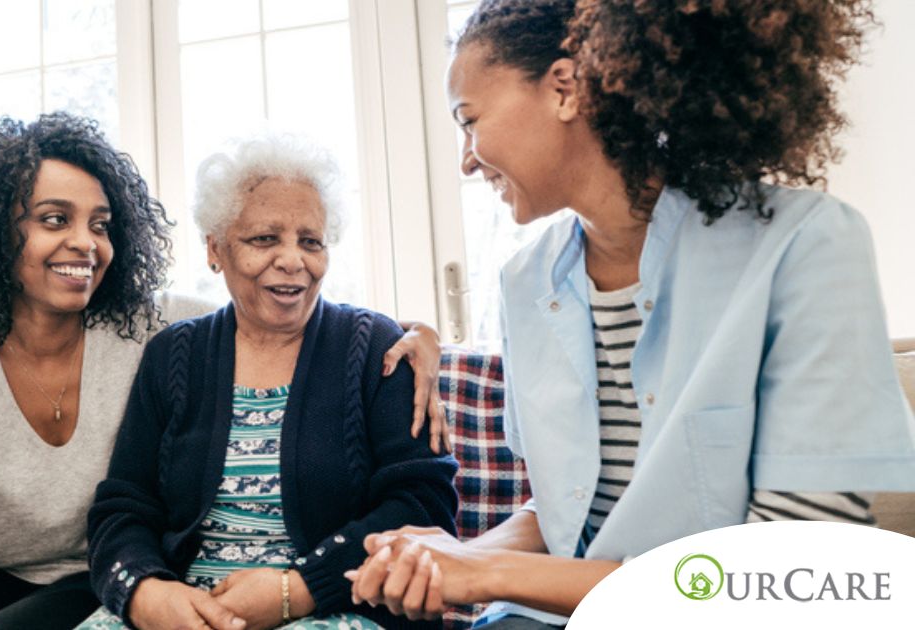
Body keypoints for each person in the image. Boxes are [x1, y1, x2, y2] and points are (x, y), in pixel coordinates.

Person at [347, 0, 915, 627]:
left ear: (564, 88)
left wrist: (483, 571)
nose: (466, 158)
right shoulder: (524, 281)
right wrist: (450, 555)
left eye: (469, 119)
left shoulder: (806, 245)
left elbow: (789, 572)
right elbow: (565, 512)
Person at [0, 113, 445, 629]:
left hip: (93, 575)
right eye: (54, 220)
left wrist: (420, 334)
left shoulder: (153, 325)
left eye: (100, 223)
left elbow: (272, 310)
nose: (85, 244)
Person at [78, 133, 459, 630]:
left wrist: (297, 590)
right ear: (215, 249)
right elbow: (123, 507)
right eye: (264, 239)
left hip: (337, 606)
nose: (292, 260)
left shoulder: (376, 349)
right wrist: (147, 593)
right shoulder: (174, 354)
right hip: (189, 611)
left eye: (311, 241)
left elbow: (423, 508)